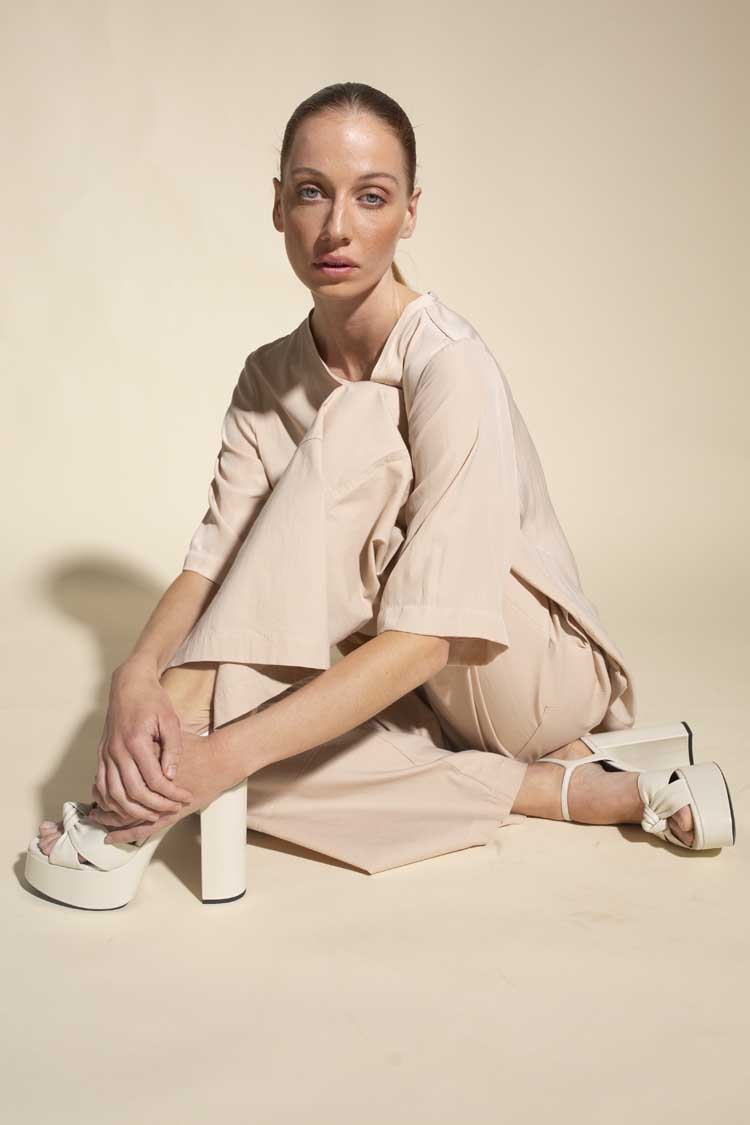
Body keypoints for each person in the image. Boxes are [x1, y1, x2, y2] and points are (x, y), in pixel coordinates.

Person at [36, 82, 698, 876]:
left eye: (372, 197)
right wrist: (138, 675)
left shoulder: (448, 361)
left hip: (519, 674)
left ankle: (167, 767)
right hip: (412, 695)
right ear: (278, 205)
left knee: (357, 419)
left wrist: (204, 734)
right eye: (312, 192)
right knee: (241, 749)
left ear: (410, 213)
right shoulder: (266, 374)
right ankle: (543, 789)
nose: (337, 227)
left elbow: (432, 637)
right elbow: (214, 563)